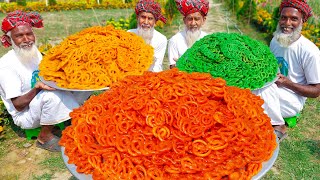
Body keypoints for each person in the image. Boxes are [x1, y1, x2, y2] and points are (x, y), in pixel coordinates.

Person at [0, 10, 80, 152]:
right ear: (10, 39)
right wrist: (37, 88)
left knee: (82, 87)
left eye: (29, 34)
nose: (26, 39)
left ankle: (73, 121)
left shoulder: (34, 52)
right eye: (19, 36)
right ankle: (45, 137)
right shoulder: (7, 65)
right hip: (25, 114)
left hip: (41, 100)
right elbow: (18, 105)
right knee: (51, 96)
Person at [252, 0, 320, 141]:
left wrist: (287, 83)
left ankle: (279, 126)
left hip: (291, 98)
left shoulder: (310, 51)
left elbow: (316, 91)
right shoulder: (275, 41)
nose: (287, 23)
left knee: (261, 92)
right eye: (284, 17)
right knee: (246, 86)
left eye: (294, 19)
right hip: (271, 89)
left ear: (302, 21)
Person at [128, 0, 167, 72]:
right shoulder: (129, 34)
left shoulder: (161, 39)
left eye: (150, 19)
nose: (146, 22)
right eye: (143, 17)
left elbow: (157, 66)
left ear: (155, 22)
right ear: (137, 18)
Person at [168, 0, 209, 69]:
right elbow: (173, 67)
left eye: (197, 19)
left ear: (203, 20)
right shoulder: (175, 40)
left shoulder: (208, 39)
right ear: (184, 20)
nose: (193, 23)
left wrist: (185, 64)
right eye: (190, 19)